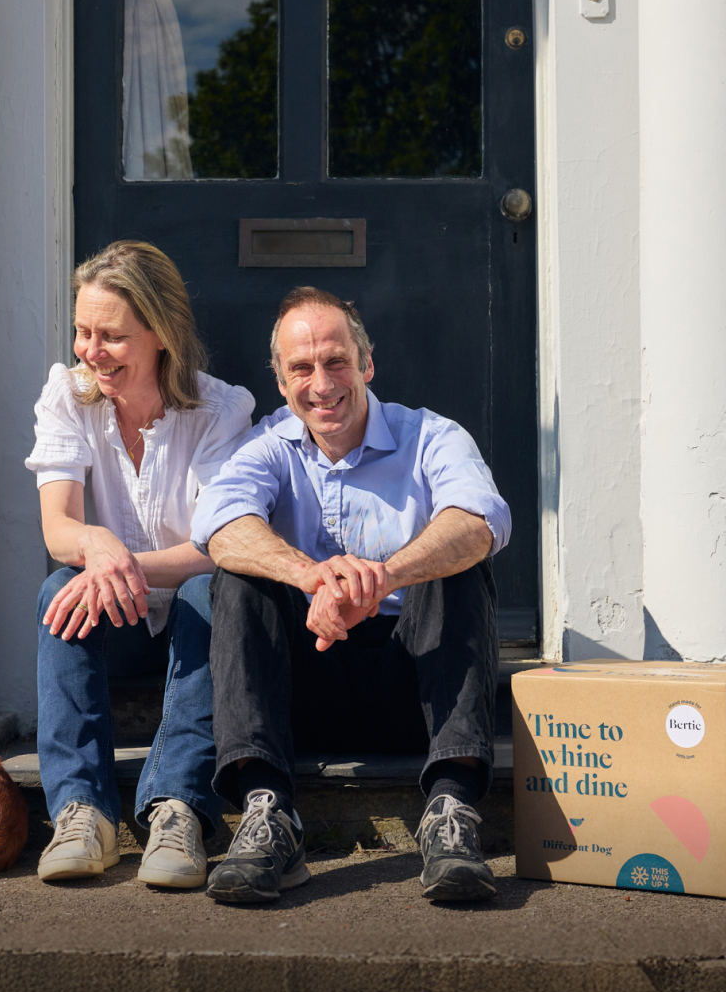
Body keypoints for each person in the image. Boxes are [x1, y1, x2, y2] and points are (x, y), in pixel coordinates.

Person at [189, 286, 510, 904]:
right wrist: (313, 577)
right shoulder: (268, 445)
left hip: (412, 689)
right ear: (281, 383)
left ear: (367, 364)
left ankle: (451, 812)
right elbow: (218, 524)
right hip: (304, 691)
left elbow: (480, 517)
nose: (321, 383)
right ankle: (267, 813)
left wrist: (384, 575)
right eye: (300, 369)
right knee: (237, 573)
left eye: (336, 362)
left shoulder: (431, 436)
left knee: (459, 558)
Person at [26, 240, 254, 887]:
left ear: (161, 334)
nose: (89, 351)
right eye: (82, 332)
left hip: (193, 628)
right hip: (116, 626)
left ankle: (177, 805)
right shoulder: (67, 396)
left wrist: (121, 561)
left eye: (111, 337)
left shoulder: (221, 412)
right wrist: (95, 547)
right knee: (58, 588)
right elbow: (58, 526)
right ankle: (81, 811)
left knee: (214, 588)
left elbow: (220, 543)